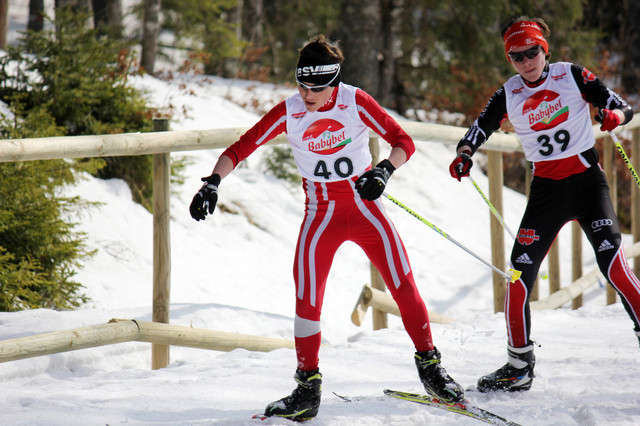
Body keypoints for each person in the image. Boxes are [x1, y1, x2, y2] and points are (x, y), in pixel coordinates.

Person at [189, 35, 464, 421]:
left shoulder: (354, 100)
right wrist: (212, 182)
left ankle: (431, 369)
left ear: (334, 82)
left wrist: (384, 170)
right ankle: (306, 388)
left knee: (403, 284)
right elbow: (241, 147)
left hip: (366, 209)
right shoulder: (290, 110)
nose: (308, 94)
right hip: (321, 215)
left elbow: (403, 141)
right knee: (307, 296)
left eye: (317, 87)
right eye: (302, 85)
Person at [449, 16, 640, 393]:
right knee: (518, 279)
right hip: (547, 193)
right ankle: (518, 365)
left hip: (588, 186)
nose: (526, 62)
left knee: (615, 266)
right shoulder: (509, 91)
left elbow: (621, 106)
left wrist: (613, 115)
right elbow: (480, 126)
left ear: (544, 49)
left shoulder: (571, 74)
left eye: (532, 52)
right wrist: (464, 152)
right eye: (516, 56)